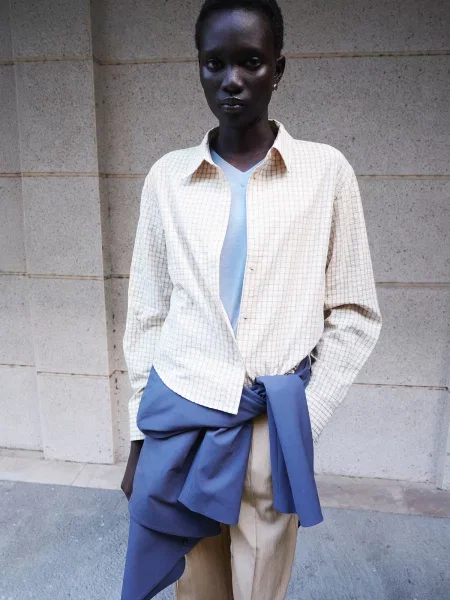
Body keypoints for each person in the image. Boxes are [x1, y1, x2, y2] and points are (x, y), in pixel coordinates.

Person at [120, 1, 382, 598]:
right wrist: (138, 439)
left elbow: (355, 311)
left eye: (251, 62)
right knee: (197, 585)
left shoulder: (325, 172)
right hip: (182, 420)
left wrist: (303, 416)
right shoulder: (167, 178)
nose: (231, 80)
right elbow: (148, 313)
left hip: (270, 421)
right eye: (214, 63)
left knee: (260, 586)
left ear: (278, 68)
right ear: (198, 66)